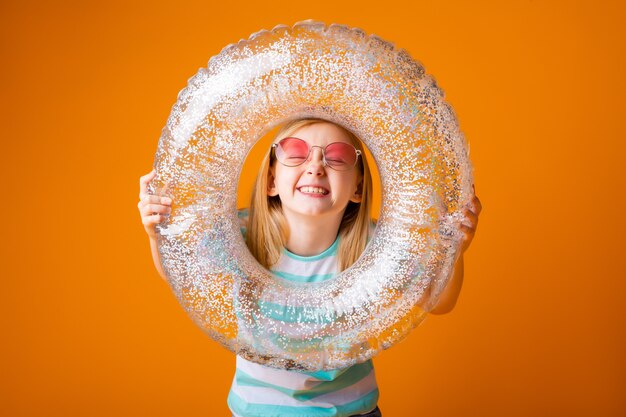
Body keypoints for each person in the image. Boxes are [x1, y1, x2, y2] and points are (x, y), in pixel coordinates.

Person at [138, 118, 482, 417]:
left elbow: (439, 301)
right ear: (271, 180)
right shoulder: (239, 237)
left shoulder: (375, 247)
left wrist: (456, 251)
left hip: (351, 412)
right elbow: (181, 275)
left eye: (337, 157)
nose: (316, 166)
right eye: (296, 151)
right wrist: (158, 235)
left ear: (358, 188)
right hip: (256, 412)